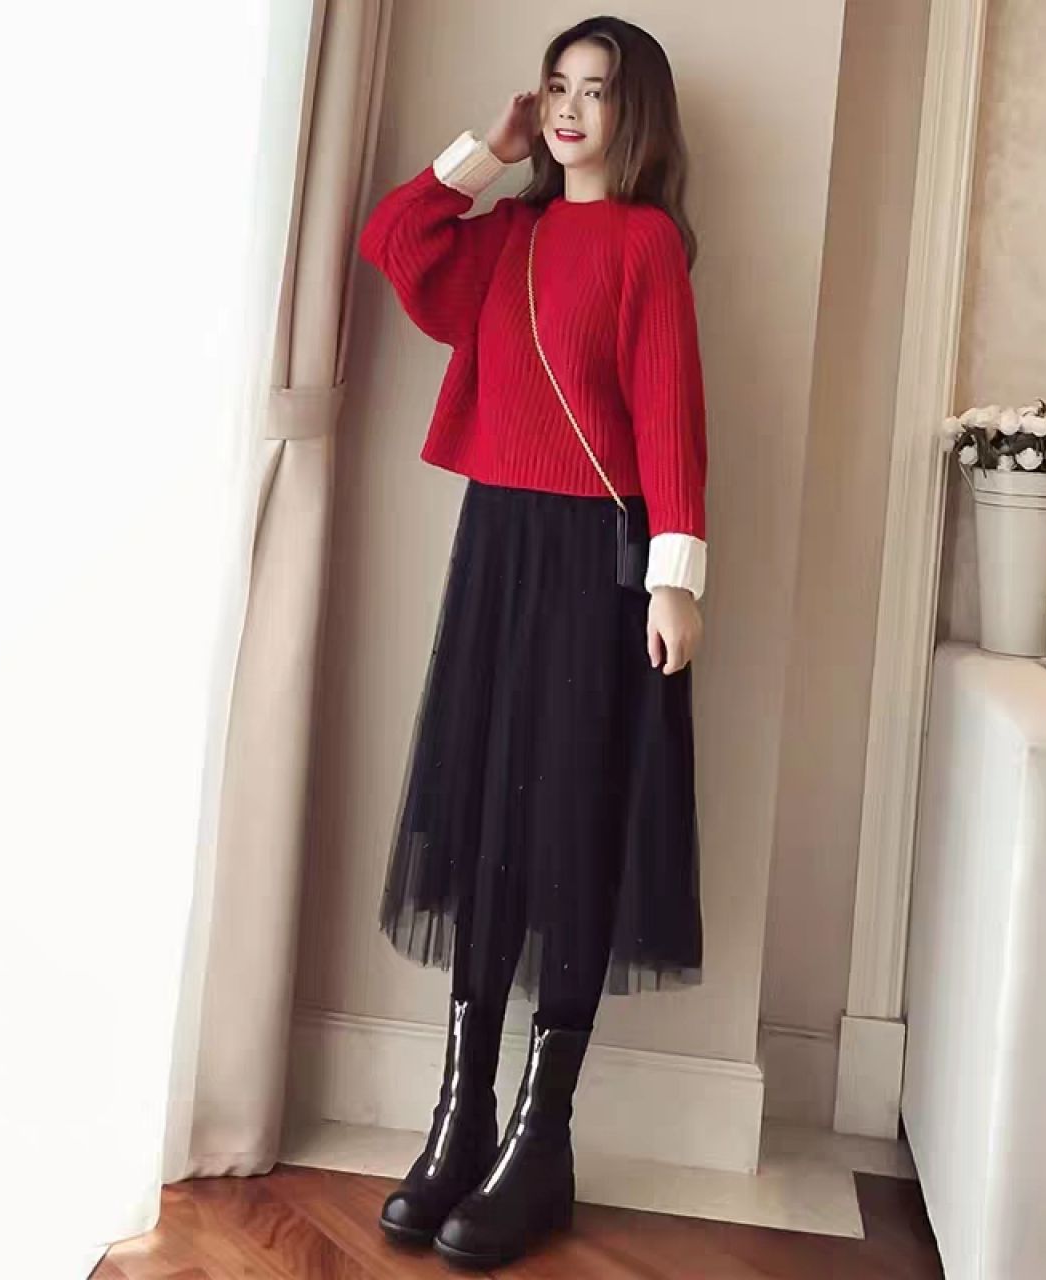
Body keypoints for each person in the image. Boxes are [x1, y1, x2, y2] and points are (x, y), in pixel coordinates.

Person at [357, 15, 708, 1269]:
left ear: (633, 112)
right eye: (555, 86)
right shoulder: (504, 235)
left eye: (593, 91)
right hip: (494, 548)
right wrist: (486, 150)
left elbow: (669, 408)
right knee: (485, 823)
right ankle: (460, 1118)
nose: (567, 108)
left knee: (567, 830)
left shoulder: (645, 242)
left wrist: (676, 579)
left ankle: (538, 1136)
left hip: (595, 564)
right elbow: (393, 241)